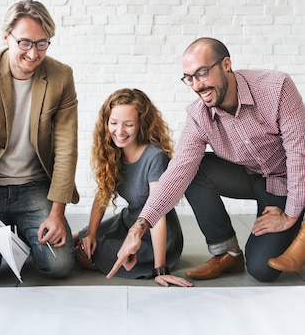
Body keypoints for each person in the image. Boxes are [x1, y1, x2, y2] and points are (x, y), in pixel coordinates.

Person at [109, 37, 305, 283]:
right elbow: (177, 172)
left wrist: (290, 214)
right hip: (254, 177)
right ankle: (228, 253)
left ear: (226, 64)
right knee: (192, 170)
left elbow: (299, 156)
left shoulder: (276, 88)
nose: (197, 85)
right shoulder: (199, 116)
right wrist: (138, 228)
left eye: (202, 73)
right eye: (189, 78)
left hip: (291, 177)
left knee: (261, 270)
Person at [0, 0, 78, 284]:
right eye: (24, 42)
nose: (33, 54)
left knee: (58, 266)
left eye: (42, 43)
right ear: (6, 38)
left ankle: (24, 229)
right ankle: (12, 231)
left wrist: (57, 213)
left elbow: (66, 148)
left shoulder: (61, 76)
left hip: (34, 186)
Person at [75, 88, 191, 287]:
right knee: (81, 239)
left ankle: (145, 262)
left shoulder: (155, 157)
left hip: (156, 233)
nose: (119, 132)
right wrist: (92, 233)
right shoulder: (113, 152)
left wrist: (160, 269)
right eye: (113, 123)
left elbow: (158, 214)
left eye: (128, 125)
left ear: (141, 125)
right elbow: (102, 194)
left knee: (88, 254)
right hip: (127, 221)